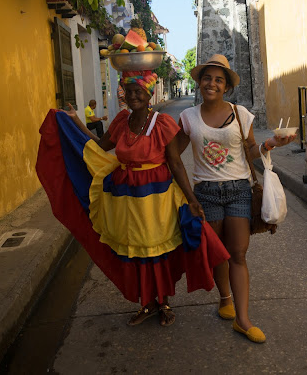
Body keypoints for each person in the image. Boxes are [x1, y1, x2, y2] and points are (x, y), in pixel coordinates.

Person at [36, 69, 229, 327]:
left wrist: (191, 199)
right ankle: (147, 303)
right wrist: (75, 122)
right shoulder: (120, 121)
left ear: (149, 94)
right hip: (127, 198)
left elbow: (176, 163)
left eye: (139, 91)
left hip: (157, 199)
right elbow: (98, 145)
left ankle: (164, 302)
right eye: (129, 92)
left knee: (157, 251)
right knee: (137, 252)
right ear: (124, 95)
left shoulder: (161, 123)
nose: (134, 96)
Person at [177, 54, 295, 343]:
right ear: (200, 82)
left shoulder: (242, 115)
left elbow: (251, 151)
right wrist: (188, 195)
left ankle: (243, 319)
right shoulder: (188, 117)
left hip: (239, 190)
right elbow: (173, 157)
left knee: (238, 253)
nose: (212, 84)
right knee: (219, 254)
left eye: (219, 80)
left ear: (226, 86)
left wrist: (271, 143)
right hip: (206, 193)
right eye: (207, 78)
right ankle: (225, 298)